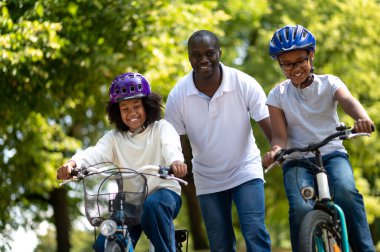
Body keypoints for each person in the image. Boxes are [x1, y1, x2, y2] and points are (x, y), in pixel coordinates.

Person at [263, 24, 375, 251]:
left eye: (300, 60)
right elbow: (279, 136)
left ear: (311, 55)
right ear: (279, 64)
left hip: (332, 153)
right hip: (296, 159)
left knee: (345, 191)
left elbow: (347, 101)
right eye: (287, 63)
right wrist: (275, 152)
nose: (295, 68)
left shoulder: (330, 83)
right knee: (301, 208)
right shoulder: (277, 95)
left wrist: (362, 118)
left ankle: (365, 248)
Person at [165, 30, 272, 251]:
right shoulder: (178, 96)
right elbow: (176, 144)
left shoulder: (243, 83)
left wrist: (278, 149)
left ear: (220, 53)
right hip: (208, 177)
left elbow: (268, 124)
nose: (203, 59)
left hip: (245, 169)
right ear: (189, 58)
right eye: (196, 55)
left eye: (210, 53)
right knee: (220, 243)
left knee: (255, 232)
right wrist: (181, 167)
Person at [56, 72, 187, 252]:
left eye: (136, 106)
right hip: (130, 201)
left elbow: (170, 147)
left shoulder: (161, 128)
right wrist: (72, 164)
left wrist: (176, 162)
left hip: (164, 193)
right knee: (107, 243)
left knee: (153, 206)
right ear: (117, 112)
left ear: (147, 106)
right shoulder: (114, 138)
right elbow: (94, 153)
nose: (131, 113)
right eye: (125, 108)